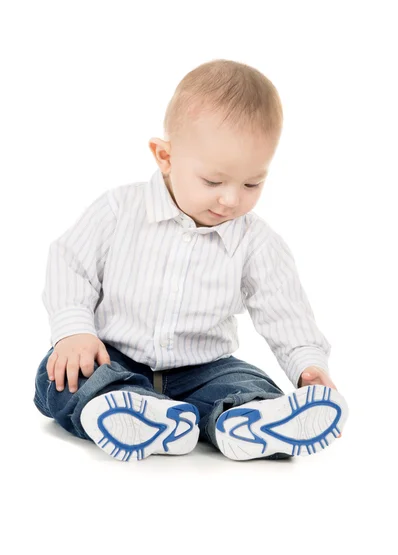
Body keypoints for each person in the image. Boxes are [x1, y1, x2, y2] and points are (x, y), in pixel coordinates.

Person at [33, 58, 349, 462]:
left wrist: (308, 365)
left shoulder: (255, 241)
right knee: (59, 374)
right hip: (114, 356)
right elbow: (69, 264)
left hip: (205, 368)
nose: (232, 199)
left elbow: (284, 308)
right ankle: (128, 408)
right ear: (165, 157)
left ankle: (247, 421)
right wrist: (74, 330)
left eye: (253, 182)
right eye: (213, 181)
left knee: (244, 381)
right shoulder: (118, 211)